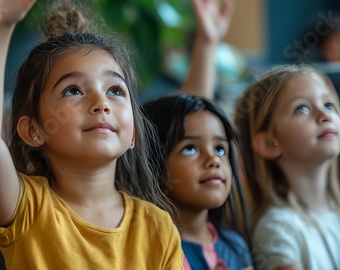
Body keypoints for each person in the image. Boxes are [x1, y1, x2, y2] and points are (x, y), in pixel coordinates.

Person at [0, 0, 183, 268]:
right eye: (73, 91)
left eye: (116, 91)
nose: (100, 102)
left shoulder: (158, 227)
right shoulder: (25, 208)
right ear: (33, 130)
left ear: (133, 132)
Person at [234, 63, 340, 270]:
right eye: (302, 108)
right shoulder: (277, 228)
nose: (324, 114)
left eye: (328, 104)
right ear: (269, 143)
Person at [142, 94, 253, 270]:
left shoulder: (236, 246)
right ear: (151, 164)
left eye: (219, 149)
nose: (214, 159)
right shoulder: (149, 253)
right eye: (190, 149)